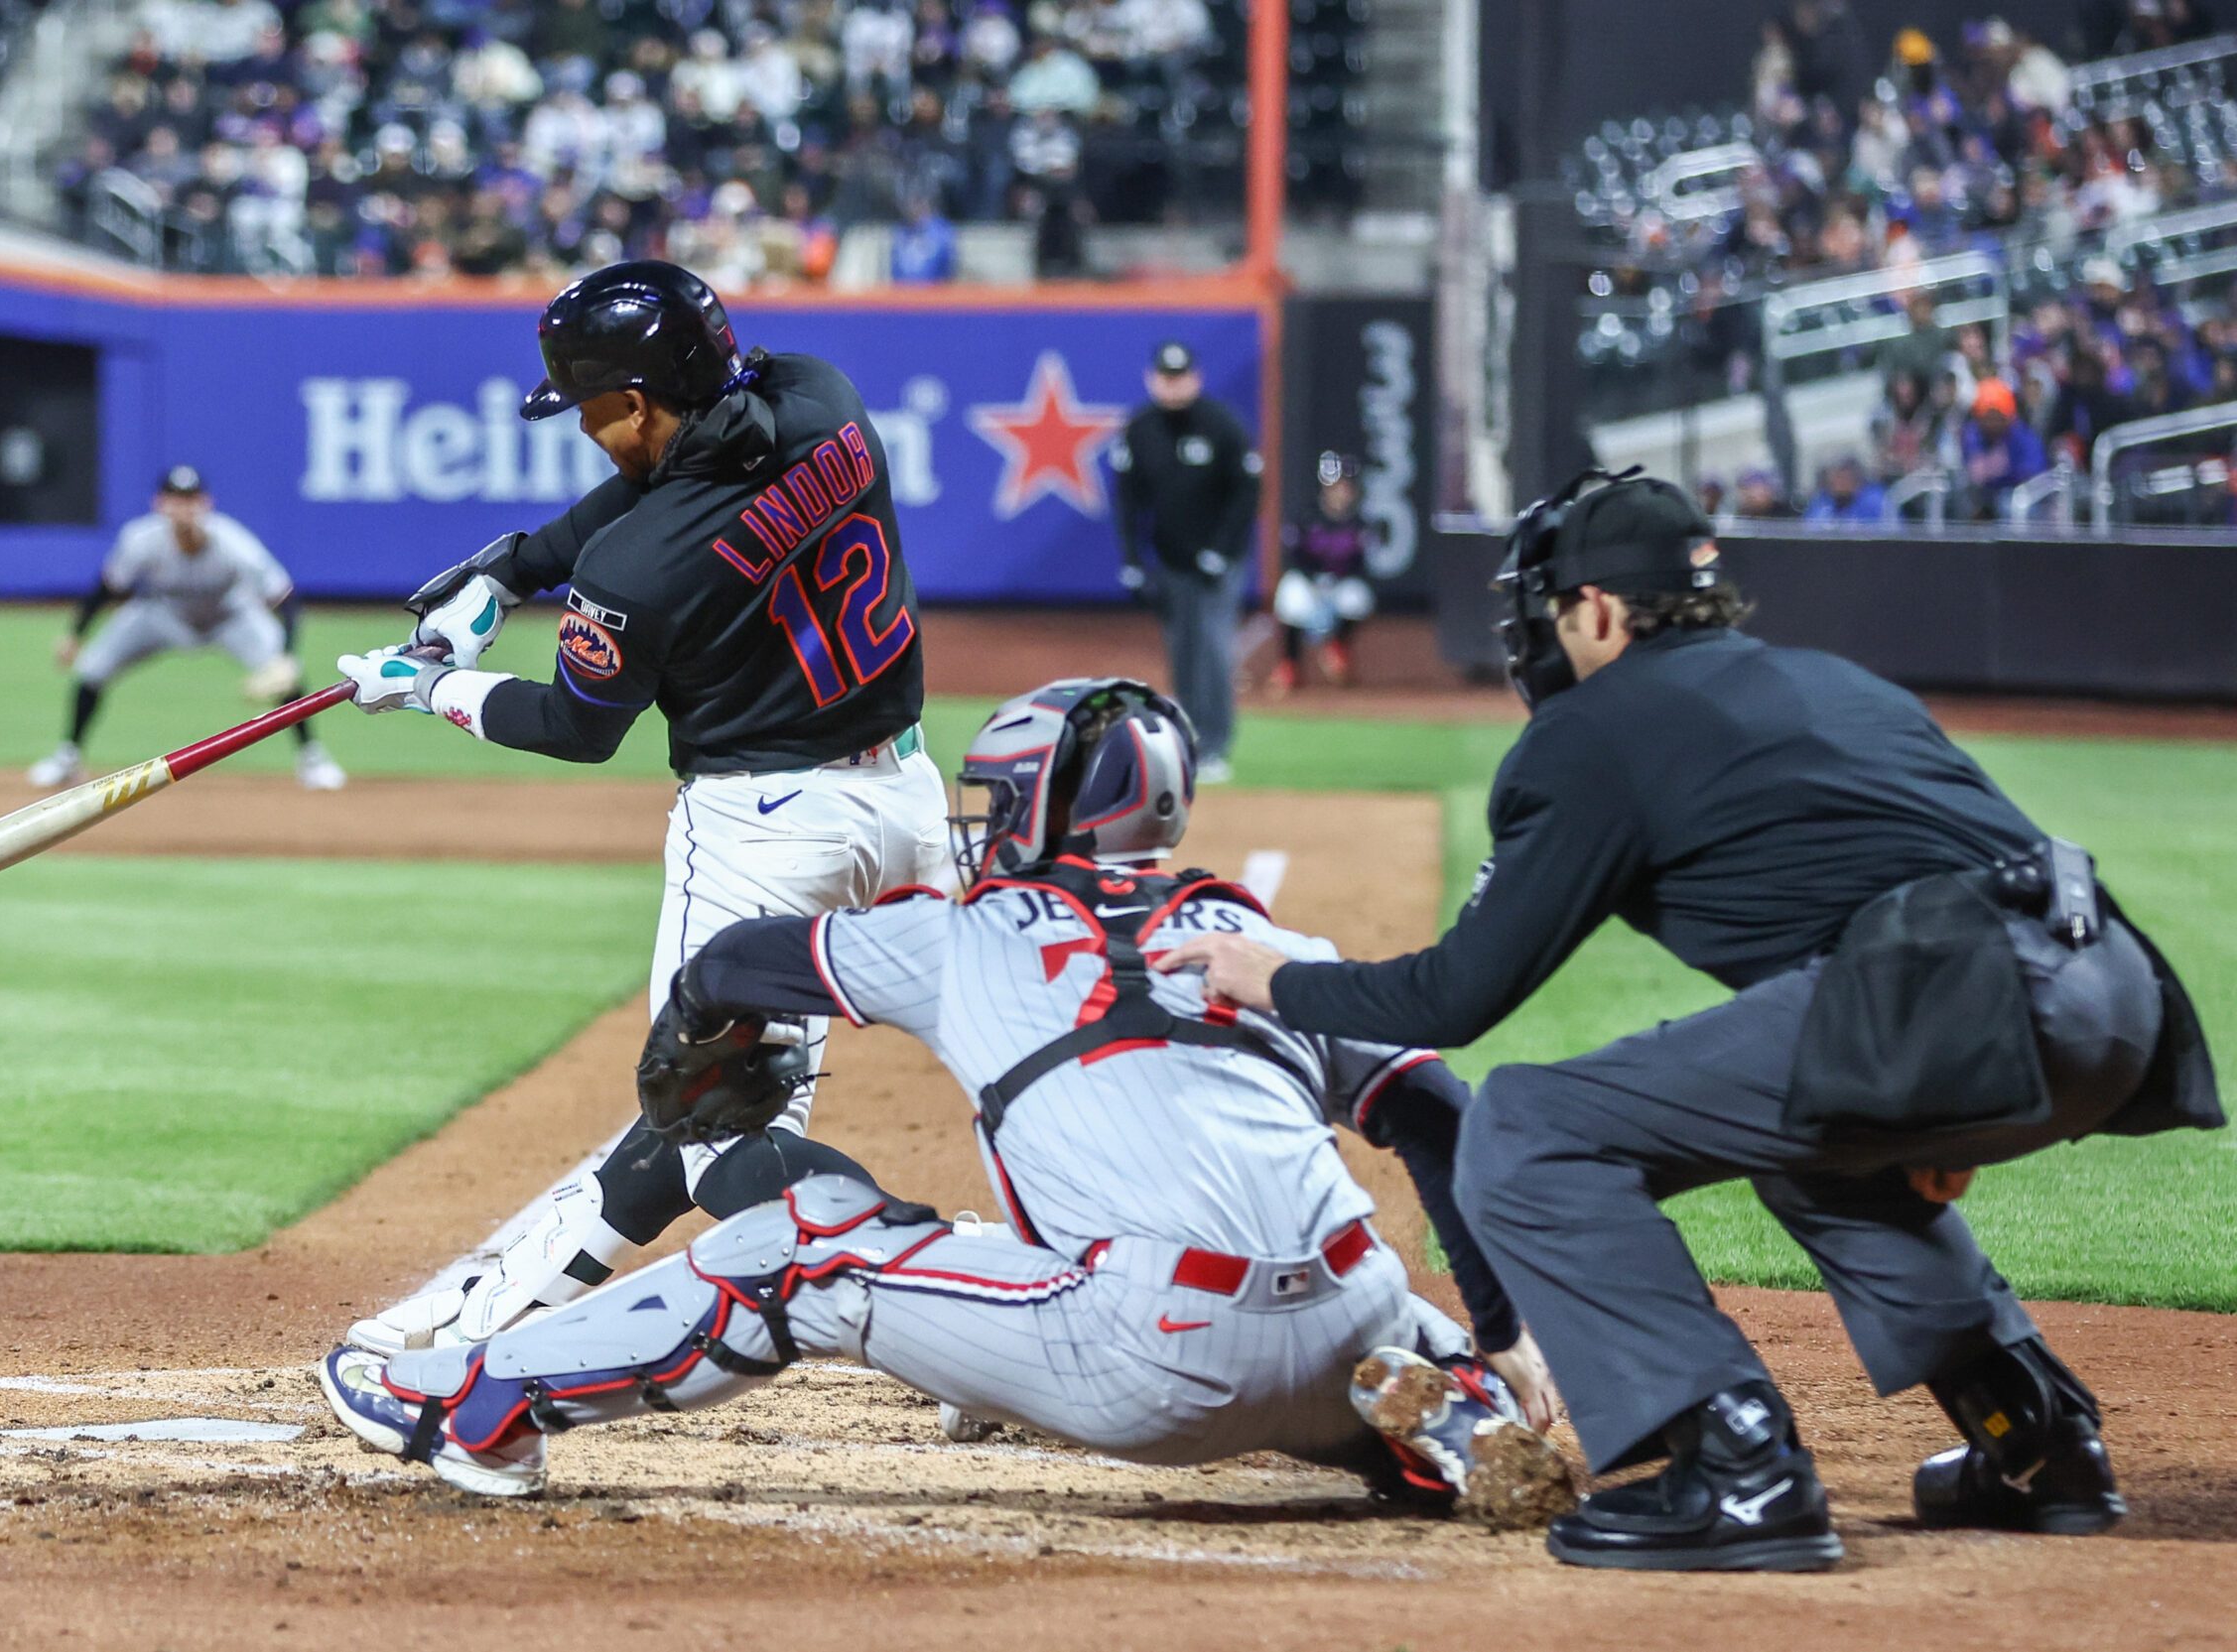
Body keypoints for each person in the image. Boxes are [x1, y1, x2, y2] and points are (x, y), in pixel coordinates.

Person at [1154, 470, 2220, 1573]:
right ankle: (2038, 1442)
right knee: (1817, 1150)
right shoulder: (1826, 682)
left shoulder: (1593, 731)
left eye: (1548, 605)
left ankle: (1738, 1465)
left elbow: (1452, 1000)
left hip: (1952, 994)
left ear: (1600, 611)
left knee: (1526, 1127)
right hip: (2116, 994)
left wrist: (1270, 978)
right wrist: (1939, 1099)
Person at [320, 677, 1569, 1519]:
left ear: (1039, 809)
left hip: (1154, 1364)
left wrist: (711, 1019)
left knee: (803, 1251)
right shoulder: (1251, 931)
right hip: (1356, 1307)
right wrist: (1507, 1319)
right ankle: (1436, 1400)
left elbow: (737, 956)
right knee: (1331, 1279)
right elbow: (1441, 1114)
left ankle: (476, 1406)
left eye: (1002, 799)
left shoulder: (965, 932)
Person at [329, 261, 952, 1361]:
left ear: (633, 399)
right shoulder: (822, 398)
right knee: (736, 1099)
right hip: (906, 802)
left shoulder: (636, 571)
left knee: (714, 1131)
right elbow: (675, 481)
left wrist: (430, 688)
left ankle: (949, 1287)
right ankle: (483, 1316)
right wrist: (512, 570)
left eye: (588, 410)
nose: (583, 429)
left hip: (767, 836)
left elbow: (576, 725)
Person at [29, 465, 343, 792]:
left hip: (230, 616)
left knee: (284, 669)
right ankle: (68, 758)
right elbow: (108, 586)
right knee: (93, 668)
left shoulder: (233, 543)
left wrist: (287, 655)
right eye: (175, 499)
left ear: (207, 503)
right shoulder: (141, 539)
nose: (183, 507)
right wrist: (75, 635)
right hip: (163, 614)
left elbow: (285, 597)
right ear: (158, 503)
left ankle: (312, 758)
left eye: (191, 499)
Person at [1109, 341, 1262, 782]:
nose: (1173, 387)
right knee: (1182, 651)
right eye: (1166, 378)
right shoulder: (1140, 429)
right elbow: (1127, 501)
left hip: (1219, 563)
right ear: (1152, 379)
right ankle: (1188, 738)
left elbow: (1247, 492)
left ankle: (1215, 744)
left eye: (1180, 378)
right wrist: (1133, 560)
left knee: (1214, 649)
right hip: (1171, 560)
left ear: (1195, 378)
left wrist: (1223, 549)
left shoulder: (1221, 426)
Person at [1269, 449, 1375, 692]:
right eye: (1337, 486)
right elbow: (1292, 558)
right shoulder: (1307, 515)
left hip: (1338, 583)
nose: (1342, 492)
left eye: (1346, 487)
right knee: (1291, 597)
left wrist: (1334, 581)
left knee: (1358, 597)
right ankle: (1290, 665)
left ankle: (1338, 647)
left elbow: (1360, 566)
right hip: (1308, 581)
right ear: (1326, 488)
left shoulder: (1360, 521)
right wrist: (1313, 581)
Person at [1960, 377, 2048, 519]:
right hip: (1985, 495)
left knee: (2006, 502)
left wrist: (2003, 471)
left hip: (2021, 496)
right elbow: (1975, 471)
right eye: (1987, 417)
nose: (1991, 423)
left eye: (1997, 417)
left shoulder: (2023, 437)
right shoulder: (1974, 434)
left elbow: (2033, 473)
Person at [1801, 453, 1889, 524]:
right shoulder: (1822, 503)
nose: (1839, 482)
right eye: (1836, 477)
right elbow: (1810, 529)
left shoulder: (1875, 502)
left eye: (1844, 477)